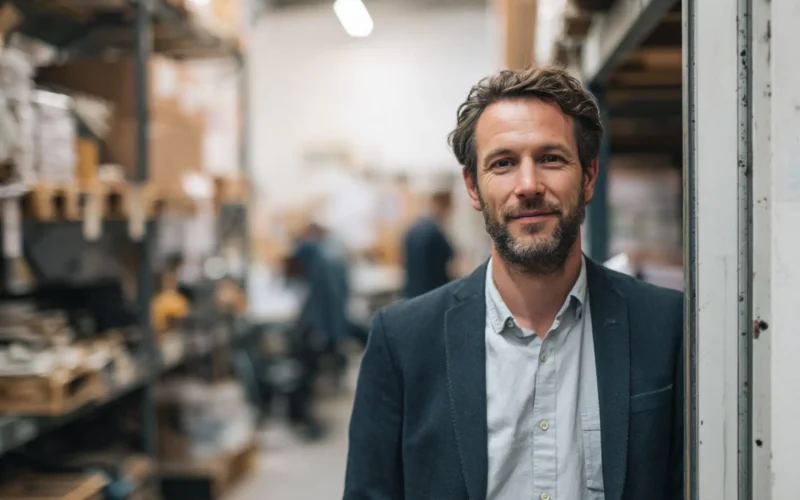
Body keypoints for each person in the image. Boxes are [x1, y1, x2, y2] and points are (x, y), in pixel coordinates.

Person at [344, 67, 683, 500]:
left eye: (551, 159)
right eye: (503, 163)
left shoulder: (665, 325)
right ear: (473, 186)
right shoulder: (402, 342)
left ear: (590, 177)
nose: (528, 186)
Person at [401, 190, 455, 298]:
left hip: (412, 293)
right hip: (432, 293)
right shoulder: (434, 234)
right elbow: (450, 263)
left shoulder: (412, 230)